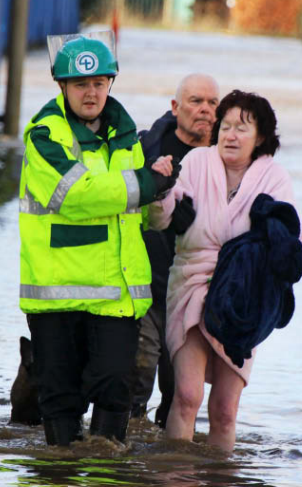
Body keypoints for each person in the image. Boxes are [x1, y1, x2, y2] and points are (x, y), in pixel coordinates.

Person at [18, 32, 179, 447]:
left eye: (98, 83)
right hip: (57, 297)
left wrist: (163, 192)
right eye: (80, 84)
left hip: (115, 296)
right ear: (62, 87)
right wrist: (146, 183)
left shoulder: (128, 138)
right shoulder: (44, 136)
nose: (91, 93)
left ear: (110, 83)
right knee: (60, 400)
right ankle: (61, 471)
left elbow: (144, 214)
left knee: (114, 389)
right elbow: (75, 194)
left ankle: (106, 468)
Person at [148, 89, 299, 451]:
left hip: (243, 297)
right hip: (191, 282)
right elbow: (159, 218)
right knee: (186, 395)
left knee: (225, 409)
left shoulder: (275, 178)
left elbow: (287, 241)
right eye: (226, 126)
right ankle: (176, 474)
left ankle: (221, 477)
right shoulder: (198, 162)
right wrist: (161, 187)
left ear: (260, 136)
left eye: (242, 128)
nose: (230, 135)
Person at [131, 74, 220, 428]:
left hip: (195, 292)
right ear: (175, 107)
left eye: (213, 103)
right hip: (147, 284)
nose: (205, 110)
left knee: (181, 392)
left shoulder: (225, 157)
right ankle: (122, 461)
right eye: (197, 101)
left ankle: (169, 467)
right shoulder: (146, 148)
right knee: (137, 375)